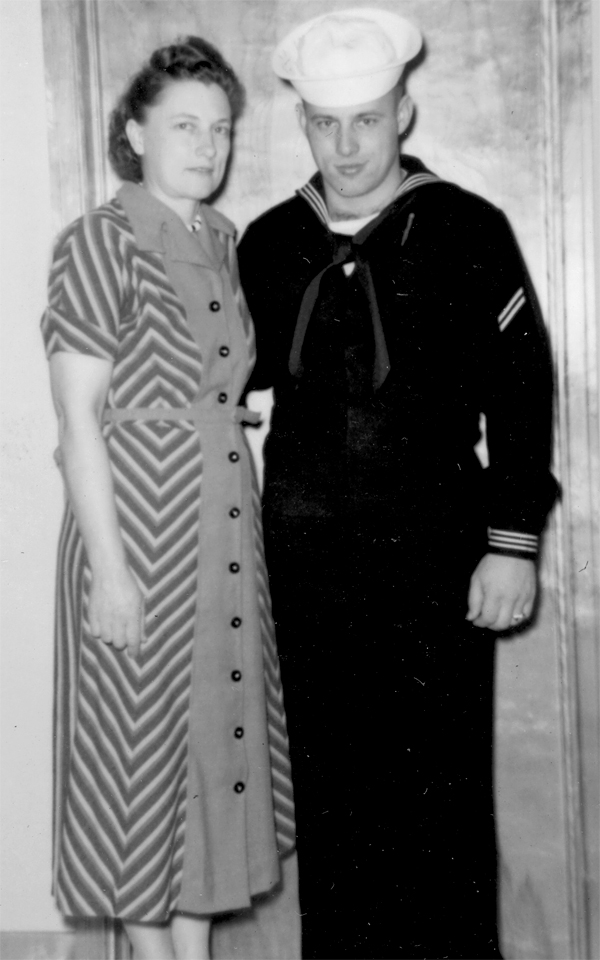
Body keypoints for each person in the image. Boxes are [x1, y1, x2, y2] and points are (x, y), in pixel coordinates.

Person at [238, 9, 558, 960]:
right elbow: (220, 373)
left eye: (367, 121)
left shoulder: (467, 228)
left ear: (403, 112)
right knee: (334, 801)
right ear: (304, 123)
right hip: (306, 564)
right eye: (326, 124)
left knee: (441, 801)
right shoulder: (269, 242)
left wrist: (512, 542)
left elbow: (522, 390)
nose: (347, 146)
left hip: (435, 560)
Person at [41, 37, 297, 960]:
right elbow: (77, 421)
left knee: (215, 751)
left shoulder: (220, 241)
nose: (207, 146)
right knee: (140, 761)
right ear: (136, 133)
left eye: (220, 129)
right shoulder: (102, 241)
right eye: (184, 125)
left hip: (224, 531)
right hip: (141, 537)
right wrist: (110, 574)